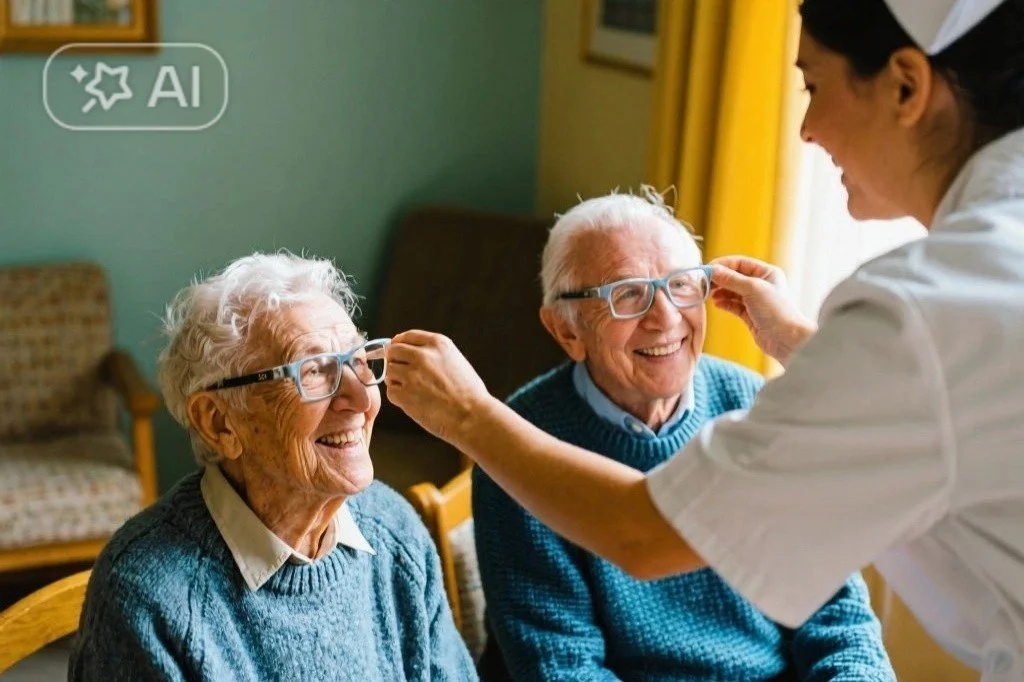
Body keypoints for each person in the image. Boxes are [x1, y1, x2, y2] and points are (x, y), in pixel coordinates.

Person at [383, 1, 1024, 679]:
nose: (805, 130)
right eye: (627, 296)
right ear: (565, 328)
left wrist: (469, 416)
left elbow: (645, 532)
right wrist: (813, 350)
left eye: (813, 84)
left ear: (905, 85)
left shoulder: (917, 310)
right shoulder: (957, 292)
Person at [473, 191, 895, 681]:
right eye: (627, 293)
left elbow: (840, 618)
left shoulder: (758, 404)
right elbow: (562, 669)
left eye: (681, 285)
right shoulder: (514, 446)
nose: (666, 317)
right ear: (565, 329)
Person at [69, 253, 476, 681]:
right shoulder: (147, 594)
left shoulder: (394, 529)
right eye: (315, 370)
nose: (362, 399)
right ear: (219, 422)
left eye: (358, 359)